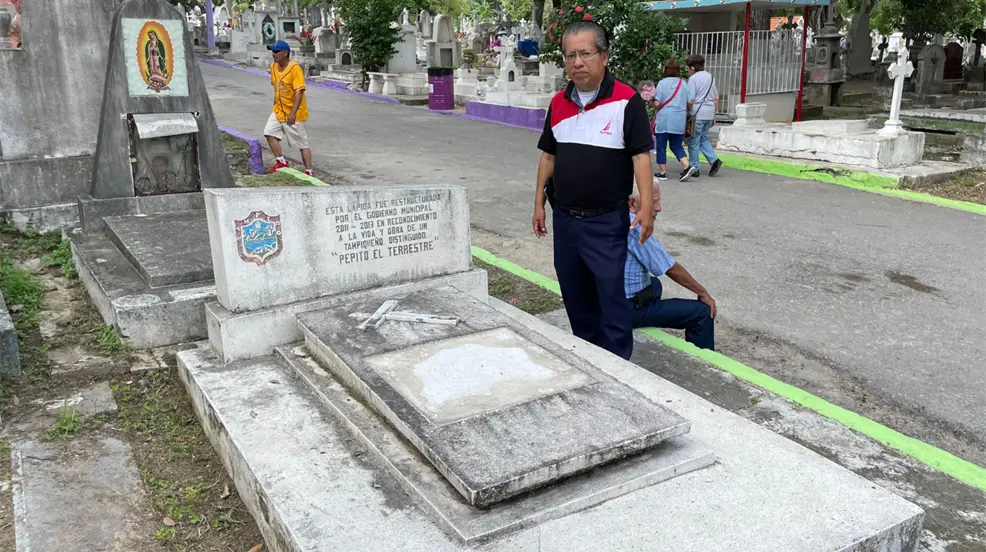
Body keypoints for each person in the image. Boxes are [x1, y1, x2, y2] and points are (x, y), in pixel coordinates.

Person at [532, 21, 655, 361]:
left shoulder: (626, 101)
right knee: (575, 296)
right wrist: (538, 203)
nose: (577, 62)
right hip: (566, 221)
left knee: (611, 299)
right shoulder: (558, 103)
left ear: (604, 56)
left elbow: (641, 157)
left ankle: (617, 366)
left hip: (605, 222)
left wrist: (647, 207)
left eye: (585, 54)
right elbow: (548, 156)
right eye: (570, 55)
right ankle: (590, 358)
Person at [626, 197, 717, 350]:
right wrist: (703, 293)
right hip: (624, 309)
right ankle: (702, 362)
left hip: (605, 298)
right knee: (703, 312)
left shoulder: (615, 217)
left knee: (655, 285)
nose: (659, 208)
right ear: (632, 203)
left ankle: (647, 317)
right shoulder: (635, 229)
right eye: (653, 202)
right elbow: (671, 268)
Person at [264, 40, 314, 176]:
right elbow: (276, 88)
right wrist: (275, 104)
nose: (273, 54)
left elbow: (299, 91)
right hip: (278, 110)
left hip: (294, 113)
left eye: (276, 51)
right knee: (269, 133)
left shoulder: (295, 68)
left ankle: (309, 171)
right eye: (272, 51)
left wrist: (293, 113)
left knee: (302, 144)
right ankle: (280, 161)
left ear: (285, 53)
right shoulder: (273, 67)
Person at [651, 59, 692, 182]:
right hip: (679, 119)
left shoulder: (662, 83)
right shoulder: (683, 84)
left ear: (665, 70)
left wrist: (651, 100)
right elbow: (690, 102)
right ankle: (687, 166)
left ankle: (663, 172)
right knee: (676, 145)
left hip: (664, 120)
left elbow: (657, 103)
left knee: (661, 147)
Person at [685, 55, 722, 179]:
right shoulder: (710, 77)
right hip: (709, 112)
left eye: (688, 67)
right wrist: (714, 115)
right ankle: (713, 159)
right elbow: (716, 97)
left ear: (692, 67)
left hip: (697, 113)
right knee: (703, 138)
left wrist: (687, 112)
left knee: (693, 141)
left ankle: (694, 167)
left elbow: (690, 100)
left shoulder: (693, 79)